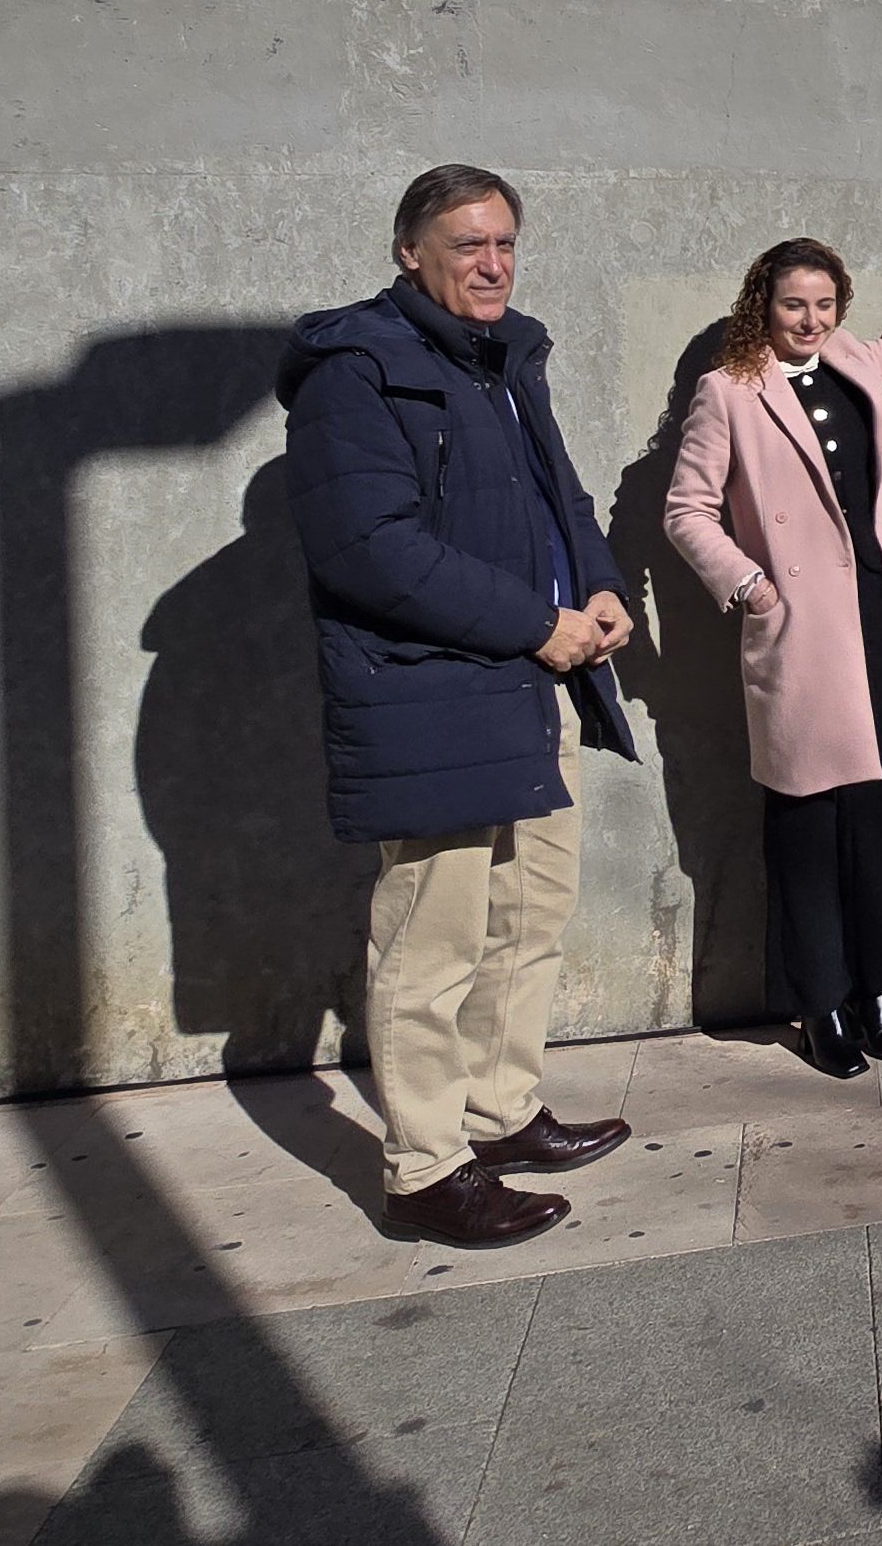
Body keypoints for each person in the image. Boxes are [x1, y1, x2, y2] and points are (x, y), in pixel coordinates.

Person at [278, 165, 641, 1246]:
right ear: (410, 252)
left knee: (529, 917)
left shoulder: (507, 360)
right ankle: (425, 1170)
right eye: (468, 244)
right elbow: (368, 549)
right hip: (436, 695)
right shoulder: (358, 372)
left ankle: (499, 1111)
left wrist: (601, 581)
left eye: (506, 244)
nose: (492, 264)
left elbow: (558, 496)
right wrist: (537, 620)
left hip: (535, 684)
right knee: (430, 942)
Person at [664, 167, 882, 1077]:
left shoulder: (856, 361)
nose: (809, 320)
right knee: (808, 825)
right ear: (761, 306)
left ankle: (878, 989)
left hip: (880, 621)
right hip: (801, 634)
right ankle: (819, 1006)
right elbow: (686, 510)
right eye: (791, 305)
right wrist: (750, 587)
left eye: (822, 304)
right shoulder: (727, 391)